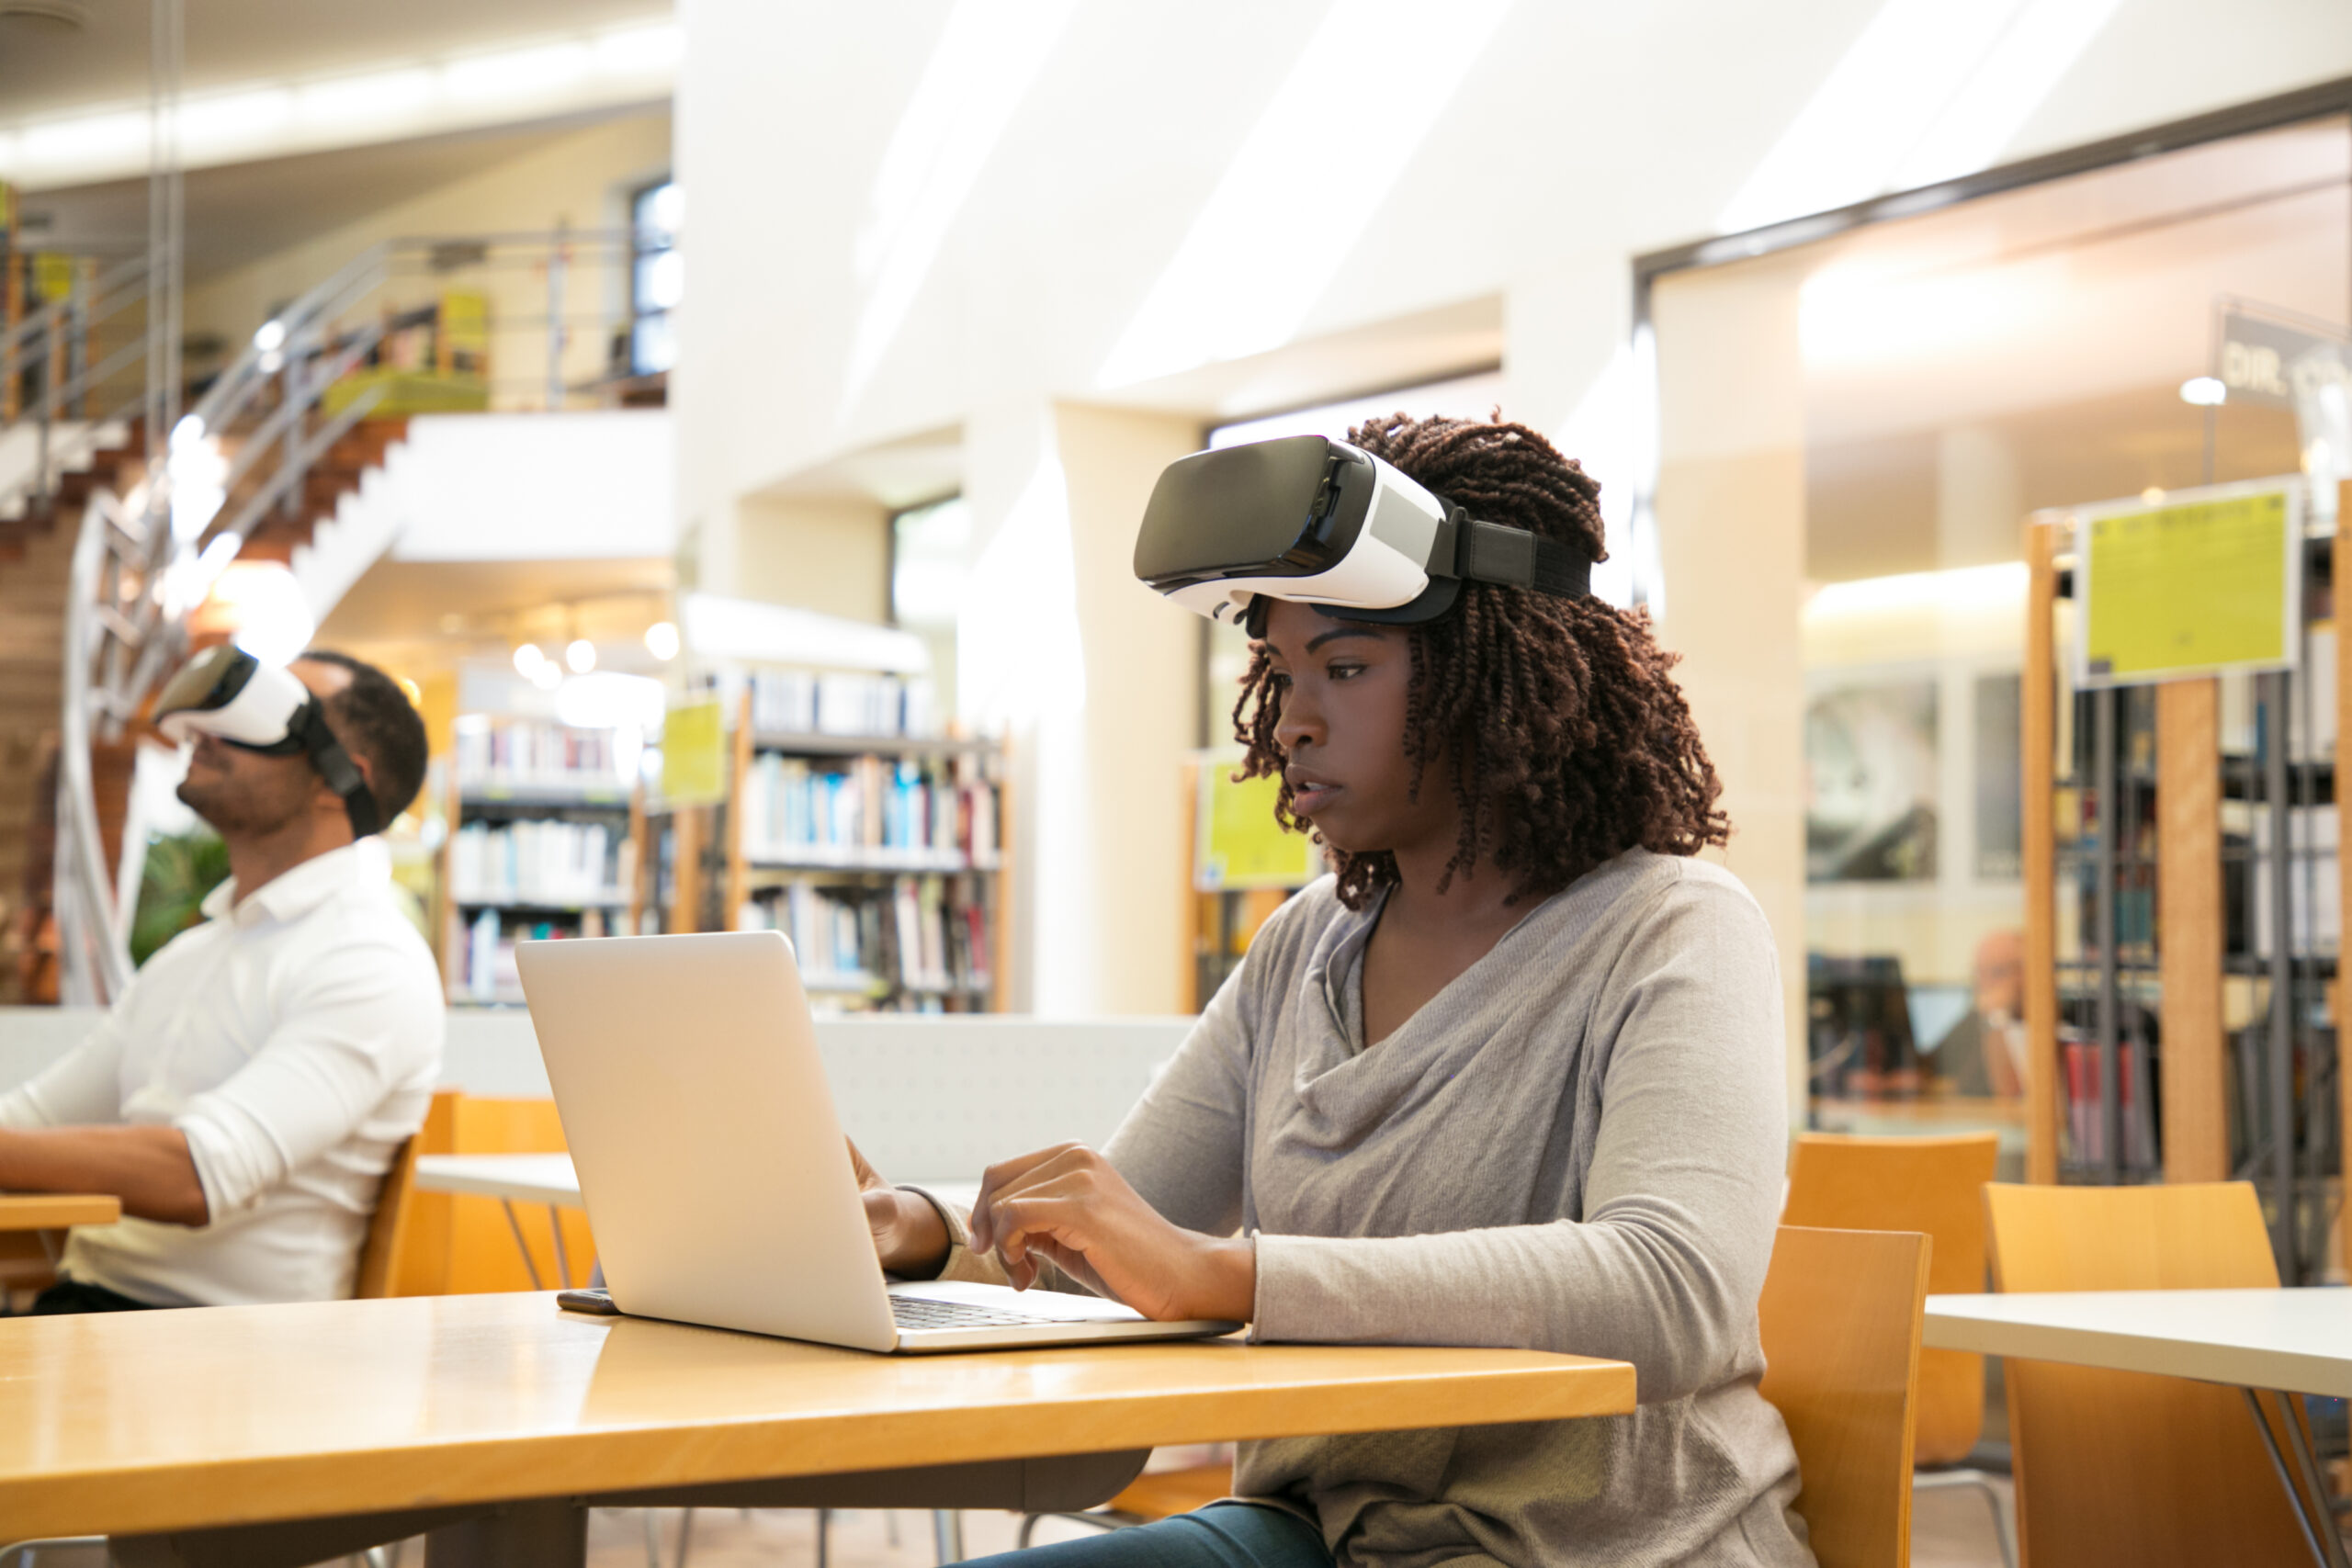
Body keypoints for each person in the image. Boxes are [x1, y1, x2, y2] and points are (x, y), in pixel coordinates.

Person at [854, 415, 1812, 1568]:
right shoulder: (1303, 945)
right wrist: (918, 1229)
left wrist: (1233, 1275)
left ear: (1490, 677)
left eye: (1346, 668)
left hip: (1601, 1551)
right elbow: (1113, 1246)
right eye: (1280, 672)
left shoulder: (1672, 927)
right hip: (1318, 1537)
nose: (1292, 720)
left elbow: (1673, 1292)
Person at [0, 649, 443, 1312]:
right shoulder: (195, 953)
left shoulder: (371, 960)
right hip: (85, 1314)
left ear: (339, 779)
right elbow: (34, 1121)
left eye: (269, 708)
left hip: (219, 1346)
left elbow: (197, 1175)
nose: (209, 729)